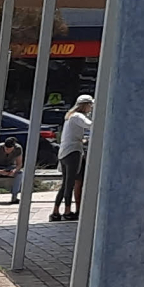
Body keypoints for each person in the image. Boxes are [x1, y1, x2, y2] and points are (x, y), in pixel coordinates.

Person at [52, 94, 92, 222]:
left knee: (65, 183)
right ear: (85, 105)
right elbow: (91, 125)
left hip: (64, 151)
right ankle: (67, 211)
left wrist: (83, 140)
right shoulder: (78, 116)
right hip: (73, 152)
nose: (90, 108)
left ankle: (56, 211)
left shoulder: (70, 117)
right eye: (90, 105)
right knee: (70, 183)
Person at [0, 137, 25, 205]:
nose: (8, 151)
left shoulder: (18, 149)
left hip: (9, 167)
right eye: (6, 149)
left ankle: (14, 197)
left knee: (20, 174)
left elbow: (19, 164)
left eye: (10, 149)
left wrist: (14, 171)